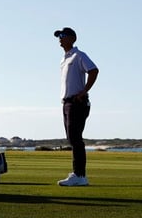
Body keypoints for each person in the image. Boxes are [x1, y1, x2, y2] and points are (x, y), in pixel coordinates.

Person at [55, 26, 98, 187]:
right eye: (59, 36)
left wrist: (83, 91)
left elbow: (93, 71)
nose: (60, 38)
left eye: (63, 35)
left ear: (72, 38)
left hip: (77, 102)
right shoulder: (64, 59)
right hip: (66, 102)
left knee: (75, 138)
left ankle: (80, 175)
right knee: (72, 138)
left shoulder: (79, 55)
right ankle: (78, 174)